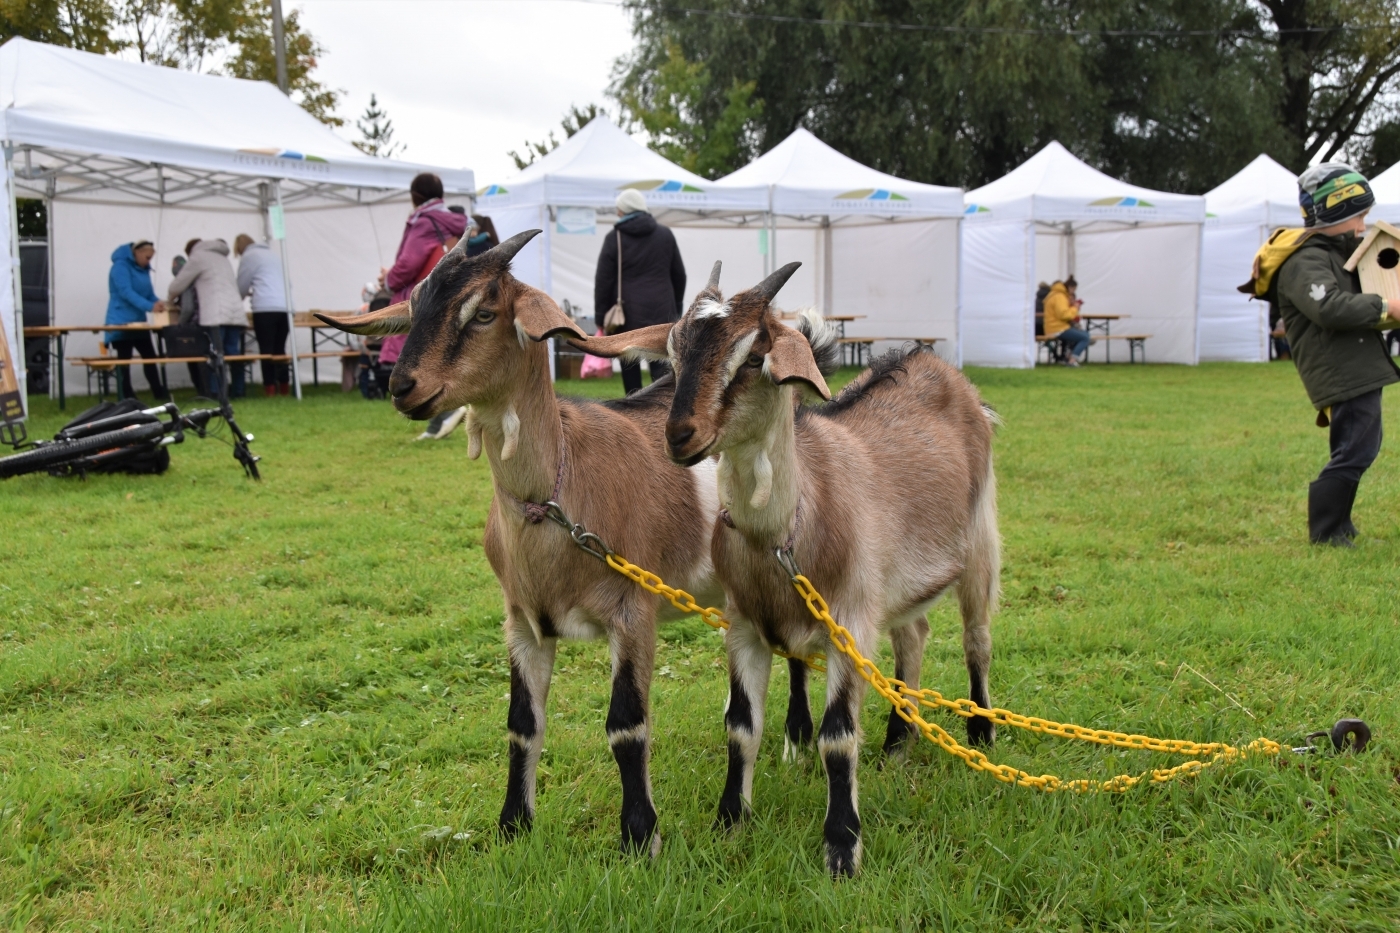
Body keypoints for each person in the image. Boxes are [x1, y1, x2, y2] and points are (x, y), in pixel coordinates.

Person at [1274, 163, 1400, 546]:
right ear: (1334, 212)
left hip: (1355, 367)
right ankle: (1327, 531)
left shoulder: (1334, 253)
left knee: (1359, 447)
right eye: (1358, 215)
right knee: (1355, 450)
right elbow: (1328, 307)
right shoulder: (1303, 261)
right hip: (1340, 370)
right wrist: (1386, 307)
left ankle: (1340, 524)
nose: (1363, 225)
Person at [593, 188, 686, 394]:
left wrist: (601, 316)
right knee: (661, 368)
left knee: (630, 369)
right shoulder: (665, 235)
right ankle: (662, 410)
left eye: (619, 209)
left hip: (627, 315)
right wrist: (676, 308)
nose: (617, 213)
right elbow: (679, 275)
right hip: (662, 313)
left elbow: (603, 281)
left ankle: (634, 413)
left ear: (624, 210)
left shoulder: (614, 238)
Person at [168, 238, 248, 398]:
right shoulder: (222, 258)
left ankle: (216, 392)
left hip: (216, 313)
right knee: (234, 354)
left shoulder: (198, 257)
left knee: (215, 354)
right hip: (236, 312)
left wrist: (169, 300)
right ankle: (238, 391)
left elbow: (178, 285)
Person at [104, 240, 170, 401]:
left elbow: (148, 294)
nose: (149, 261)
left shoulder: (144, 269)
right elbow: (126, 293)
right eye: (147, 257)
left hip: (139, 322)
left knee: (150, 357)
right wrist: (150, 306)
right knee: (124, 359)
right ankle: (126, 394)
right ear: (137, 253)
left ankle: (158, 392)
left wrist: (158, 302)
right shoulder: (120, 267)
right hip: (121, 321)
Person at [234, 234, 291, 396]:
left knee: (266, 350)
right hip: (285, 307)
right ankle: (285, 387)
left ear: (240, 249)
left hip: (265, 308)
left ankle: (270, 388)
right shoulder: (273, 256)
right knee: (280, 350)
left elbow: (241, 287)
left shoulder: (249, 257)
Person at [1042, 277, 1089, 366]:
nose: (1073, 292)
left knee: (1084, 334)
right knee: (1085, 338)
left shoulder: (1054, 294)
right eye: (1074, 289)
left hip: (1052, 327)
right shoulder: (1060, 296)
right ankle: (1072, 360)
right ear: (1070, 287)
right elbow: (1064, 315)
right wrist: (1075, 308)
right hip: (1058, 328)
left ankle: (1069, 357)